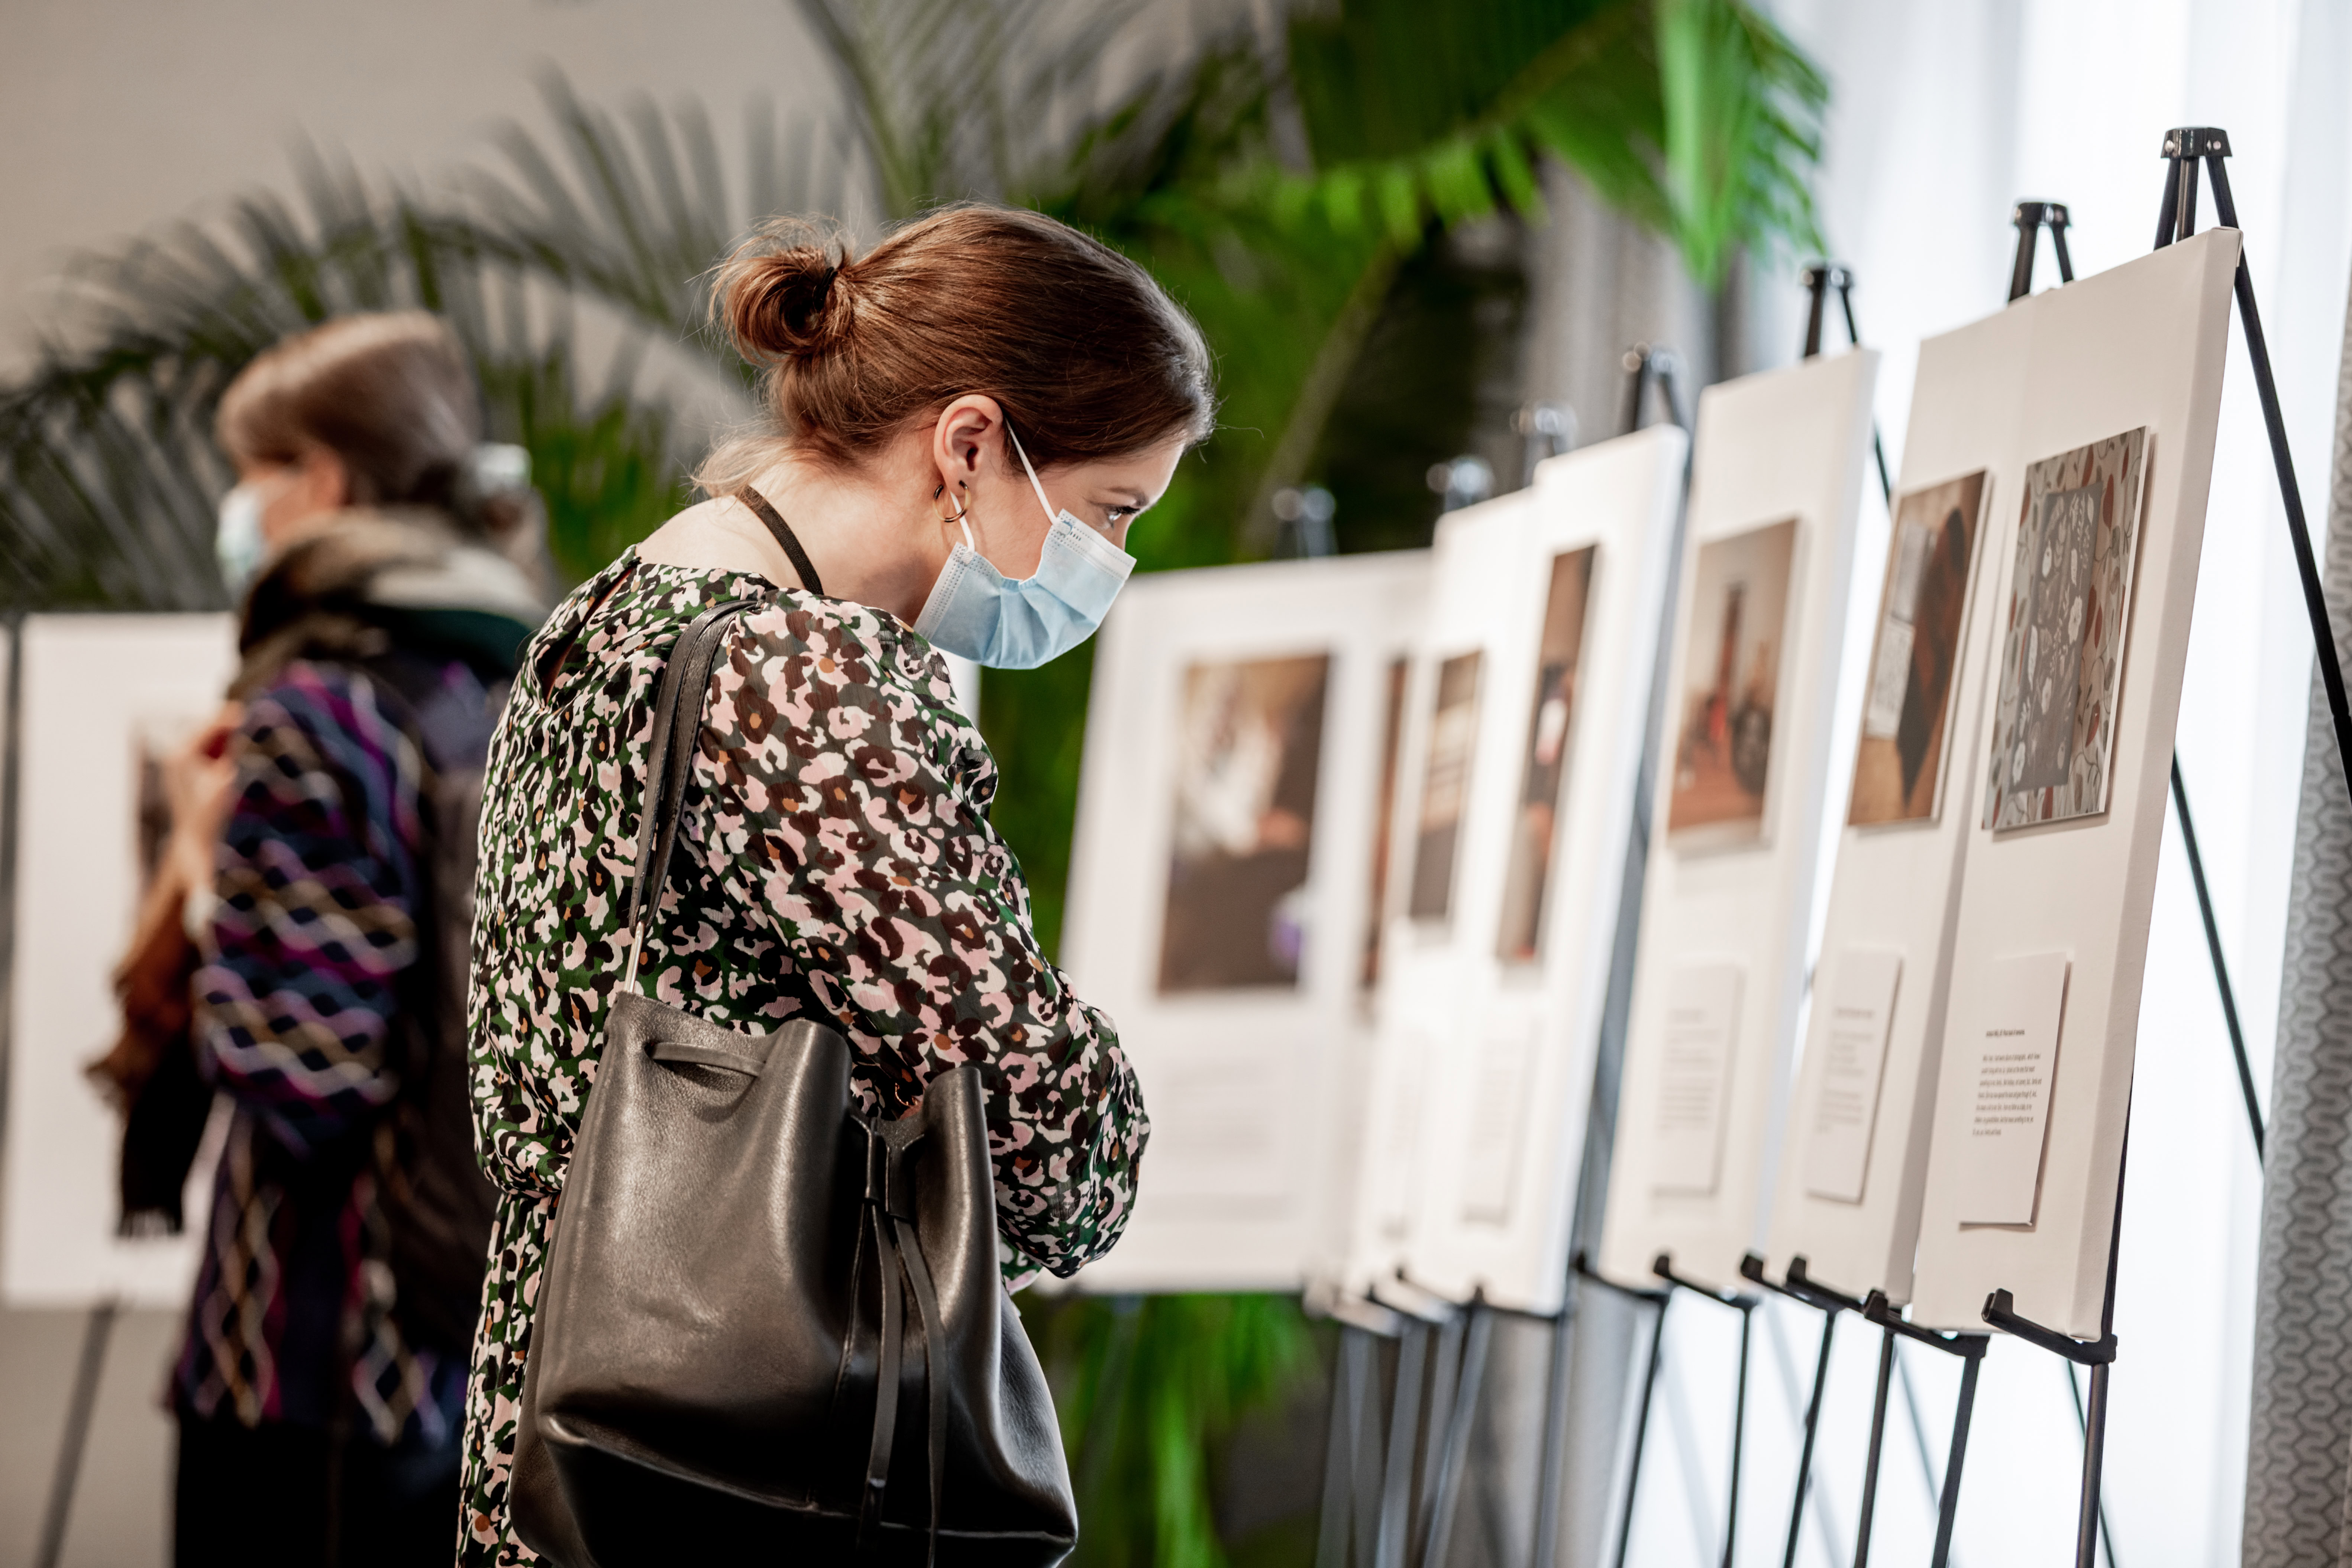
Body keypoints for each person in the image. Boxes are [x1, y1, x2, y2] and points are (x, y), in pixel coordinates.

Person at [460, 203, 1212, 1561]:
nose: (1110, 564)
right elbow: (1052, 1154)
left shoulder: (607, 616)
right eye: (1111, 510)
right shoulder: (808, 677)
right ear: (971, 442)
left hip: (568, 1412)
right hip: (751, 1462)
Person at [139, 311, 547, 1567]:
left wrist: (205, 857)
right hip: (469, 1347)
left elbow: (296, 1073)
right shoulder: (505, 688)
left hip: (311, 1366)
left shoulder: (314, 708)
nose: (239, 508)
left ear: (319, 483)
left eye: (252, 475)